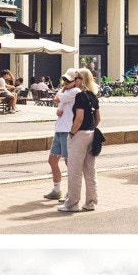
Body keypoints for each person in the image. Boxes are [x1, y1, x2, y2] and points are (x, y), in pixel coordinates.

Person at [60, 67, 100, 213]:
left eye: (76, 77)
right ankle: (90, 202)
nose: (74, 79)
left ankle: (72, 203)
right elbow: (98, 118)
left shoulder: (80, 96)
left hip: (80, 135)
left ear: (82, 80)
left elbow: (79, 118)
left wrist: (72, 132)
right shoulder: (93, 96)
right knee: (90, 171)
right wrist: (91, 128)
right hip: (92, 133)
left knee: (74, 170)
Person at [44, 72, 79, 202]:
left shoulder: (74, 91)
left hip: (67, 131)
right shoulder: (67, 92)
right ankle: (57, 190)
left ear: (75, 81)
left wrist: (62, 89)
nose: (65, 83)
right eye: (64, 80)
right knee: (52, 161)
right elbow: (59, 107)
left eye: (68, 81)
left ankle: (71, 192)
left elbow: (57, 98)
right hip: (59, 129)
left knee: (69, 163)